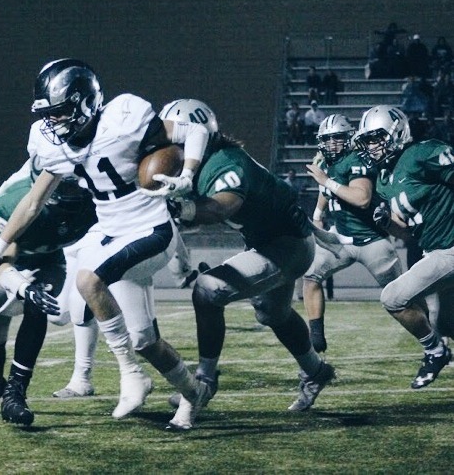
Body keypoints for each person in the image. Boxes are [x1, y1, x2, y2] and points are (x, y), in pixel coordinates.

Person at [0, 59, 213, 424]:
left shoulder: (122, 119)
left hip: (149, 228)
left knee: (88, 281)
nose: (52, 122)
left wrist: (187, 172)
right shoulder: (52, 144)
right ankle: (193, 393)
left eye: (59, 112)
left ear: (85, 102)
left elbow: (194, 131)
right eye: (49, 114)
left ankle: (131, 375)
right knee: (130, 335)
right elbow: (33, 200)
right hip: (107, 232)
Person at [154, 99, 335, 430]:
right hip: (276, 241)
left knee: (208, 290)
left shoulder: (225, 162)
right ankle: (316, 371)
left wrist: (182, 211)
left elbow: (223, 206)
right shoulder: (207, 159)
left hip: (286, 246)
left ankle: (204, 382)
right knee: (272, 314)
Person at [0, 168, 98, 426]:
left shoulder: (92, 203)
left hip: (48, 262)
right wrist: (23, 287)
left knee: (39, 302)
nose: (69, 211)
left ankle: (15, 392)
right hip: (3, 265)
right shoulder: (11, 204)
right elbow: (1, 260)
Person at [354, 105, 454, 389]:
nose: (371, 147)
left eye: (375, 138)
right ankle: (439, 344)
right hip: (435, 249)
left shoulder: (423, 153)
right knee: (447, 324)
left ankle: (435, 351)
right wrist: (387, 223)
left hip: (450, 247)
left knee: (393, 297)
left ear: (396, 133)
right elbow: (407, 234)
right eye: (367, 141)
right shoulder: (384, 179)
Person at [302, 114, 402, 352]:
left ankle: (434, 337)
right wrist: (318, 214)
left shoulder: (358, 159)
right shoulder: (326, 164)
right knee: (310, 277)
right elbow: (324, 190)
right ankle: (316, 338)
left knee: (402, 298)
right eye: (327, 139)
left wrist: (327, 182)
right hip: (341, 239)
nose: (332, 144)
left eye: (337, 138)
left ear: (348, 138)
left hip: (372, 241)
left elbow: (362, 198)